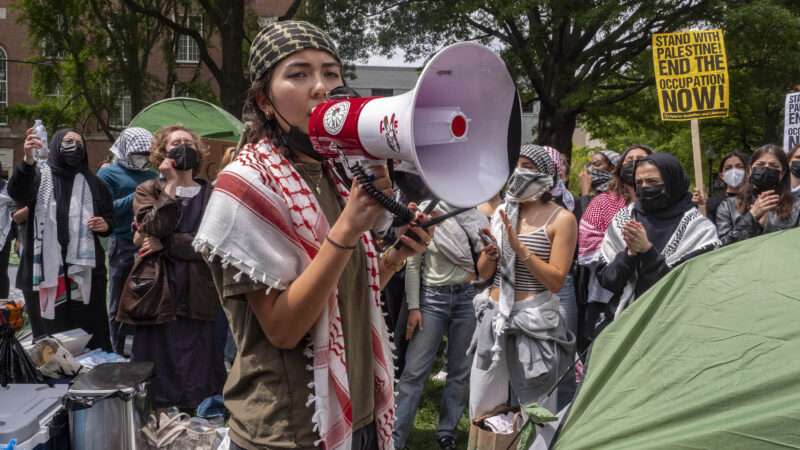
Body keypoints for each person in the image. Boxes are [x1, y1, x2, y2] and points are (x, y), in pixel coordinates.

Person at [193, 21, 432, 450]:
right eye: (299, 74)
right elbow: (284, 328)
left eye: (331, 73)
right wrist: (347, 229)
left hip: (355, 413)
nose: (321, 87)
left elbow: (342, 291)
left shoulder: (337, 174)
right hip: (290, 430)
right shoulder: (246, 188)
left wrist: (393, 258)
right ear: (265, 102)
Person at [469, 144, 576, 418]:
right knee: (482, 405)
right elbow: (482, 274)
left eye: (527, 167)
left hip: (534, 323)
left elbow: (556, 281)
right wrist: (490, 255)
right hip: (494, 317)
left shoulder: (562, 219)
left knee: (537, 409)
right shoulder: (503, 212)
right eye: (516, 166)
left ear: (545, 176)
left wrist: (521, 250)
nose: (519, 172)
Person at [125, 125, 225, 409]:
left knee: (198, 359)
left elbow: (212, 244)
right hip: (158, 289)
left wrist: (166, 245)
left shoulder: (212, 194)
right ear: (163, 152)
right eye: (175, 142)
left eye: (188, 142)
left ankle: (200, 412)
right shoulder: (148, 190)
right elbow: (151, 228)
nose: (183, 146)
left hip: (199, 290)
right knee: (160, 355)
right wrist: (168, 187)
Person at [393, 202, 487, 450]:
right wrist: (414, 307)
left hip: (467, 298)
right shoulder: (427, 210)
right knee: (414, 371)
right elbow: (412, 261)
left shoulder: (476, 216)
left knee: (459, 371)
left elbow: (487, 262)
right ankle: (395, 436)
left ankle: (447, 431)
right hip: (432, 299)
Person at [10, 128, 114, 351]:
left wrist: (105, 225)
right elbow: (18, 193)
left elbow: (109, 217)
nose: (74, 147)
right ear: (56, 145)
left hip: (85, 275)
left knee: (89, 338)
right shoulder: (39, 176)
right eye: (68, 141)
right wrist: (27, 160)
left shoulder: (94, 182)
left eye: (79, 143)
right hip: (45, 275)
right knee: (49, 344)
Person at [599, 153, 720, 312]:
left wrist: (648, 252)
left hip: (675, 320)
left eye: (652, 182)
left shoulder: (698, 229)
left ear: (672, 183)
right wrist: (629, 254)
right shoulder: (625, 219)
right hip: (625, 319)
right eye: (639, 182)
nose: (644, 187)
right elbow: (608, 280)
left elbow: (687, 288)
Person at [576, 144, 652, 345]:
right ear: (620, 167)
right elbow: (587, 245)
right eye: (629, 159)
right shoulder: (603, 202)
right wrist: (622, 249)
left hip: (650, 293)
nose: (635, 163)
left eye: (641, 158)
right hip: (606, 295)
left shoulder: (664, 207)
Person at [97, 127, 157, 353]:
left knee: (144, 299)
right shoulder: (108, 174)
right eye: (138, 153)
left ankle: (142, 349)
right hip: (121, 242)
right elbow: (105, 210)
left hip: (148, 244)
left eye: (146, 153)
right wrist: (138, 195)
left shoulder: (152, 175)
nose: (143, 158)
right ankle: (116, 349)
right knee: (118, 300)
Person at [720, 144, 800, 245]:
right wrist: (752, 216)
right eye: (760, 165)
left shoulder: (796, 207)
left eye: (773, 166)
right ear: (750, 170)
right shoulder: (727, 206)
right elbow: (722, 248)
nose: (766, 169)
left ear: (782, 173)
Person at [712, 152, 749, 242]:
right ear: (721, 175)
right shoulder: (713, 204)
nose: (734, 171)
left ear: (747, 171)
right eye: (728, 168)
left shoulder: (755, 198)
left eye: (739, 167)